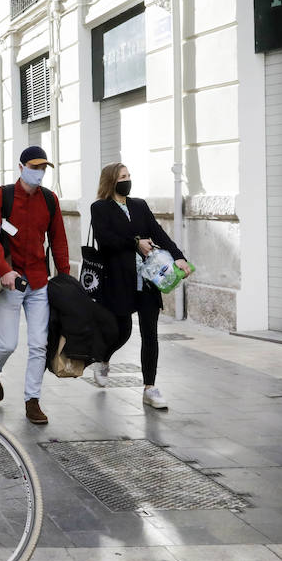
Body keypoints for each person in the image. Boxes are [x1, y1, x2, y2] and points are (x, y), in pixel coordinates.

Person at [87, 163, 191, 410]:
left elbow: (158, 233)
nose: (128, 180)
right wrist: (135, 243)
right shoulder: (100, 208)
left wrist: (179, 256)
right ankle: (103, 359)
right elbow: (106, 240)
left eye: (129, 176)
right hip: (119, 279)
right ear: (111, 181)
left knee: (150, 334)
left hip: (147, 280)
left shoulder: (139, 205)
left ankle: (150, 388)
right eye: (123, 177)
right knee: (122, 331)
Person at [0, 146, 69, 424]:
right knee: (8, 344)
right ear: (21, 168)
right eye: (34, 167)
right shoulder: (1, 196)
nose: (39, 173)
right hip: (11, 283)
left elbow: (58, 241)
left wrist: (64, 277)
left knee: (39, 345)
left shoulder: (49, 200)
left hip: (39, 282)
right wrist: (5, 270)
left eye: (43, 168)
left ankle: (32, 400)